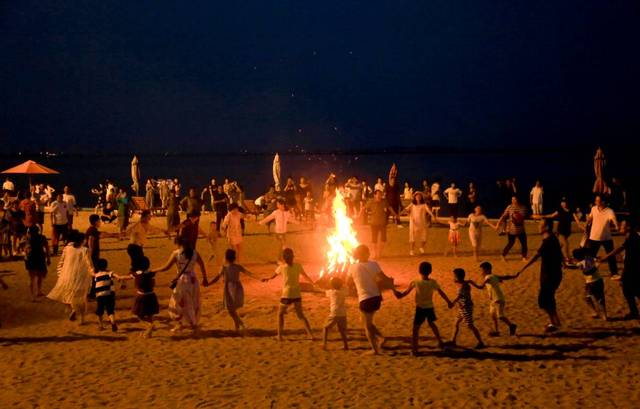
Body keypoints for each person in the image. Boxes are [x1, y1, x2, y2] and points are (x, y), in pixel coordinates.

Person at [393, 261, 452, 355]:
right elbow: (441, 293)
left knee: (416, 329)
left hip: (420, 308)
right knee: (432, 324)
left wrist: (394, 290)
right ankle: (440, 342)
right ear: (430, 271)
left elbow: (403, 294)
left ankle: (415, 350)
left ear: (419, 271)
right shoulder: (433, 282)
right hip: (429, 307)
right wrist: (448, 302)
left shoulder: (415, 282)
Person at [152, 237, 208, 333]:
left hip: (182, 280)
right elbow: (202, 265)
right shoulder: (194, 252)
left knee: (177, 303)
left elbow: (166, 267)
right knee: (192, 301)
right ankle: (192, 324)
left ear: (178, 243)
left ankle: (180, 324)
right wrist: (205, 278)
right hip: (193, 279)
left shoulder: (176, 254)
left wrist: (154, 270)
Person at [348, 245, 395, 355]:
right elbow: (384, 278)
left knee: (367, 326)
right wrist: (394, 290)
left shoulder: (352, 267)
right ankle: (381, 337)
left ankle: (375, 349)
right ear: (367, 253)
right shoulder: (374, 264)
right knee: (364, 320)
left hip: (365, 299)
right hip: (376, 297)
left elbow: (348, 281)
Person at [517, 223, 563, 332]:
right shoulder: (552, 239)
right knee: (549, 298)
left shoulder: (548, 242)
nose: (538, 227)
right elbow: (560, 249)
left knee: (543, 300)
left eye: (540, 225)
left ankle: (554, 322)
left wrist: (521, 269)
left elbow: (535, 256)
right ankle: (555, 321)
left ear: (546, 227)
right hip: (553, 273)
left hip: (550, 275)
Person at [262, 248, 315, 341]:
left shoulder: (282, 267)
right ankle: (311, 335)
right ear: (293, 257)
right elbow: (306, 276)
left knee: (280, 314)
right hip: (297, 294)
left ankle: (279, 336)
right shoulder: (298, 266)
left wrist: (267, 279)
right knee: (301, 315)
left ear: (284, 258)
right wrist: (313, 283)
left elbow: (273, 276)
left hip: (287, 294)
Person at [47, 231, 95, 324]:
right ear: (82, 240)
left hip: (67, 276)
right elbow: (89, 264)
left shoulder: (67, 249)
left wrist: (60, 274)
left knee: (68, 295)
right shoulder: (85, 250)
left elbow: (61, 263)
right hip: (81, 277)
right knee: (82, 298)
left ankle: (73, 309)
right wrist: (94, 273)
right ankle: (82, 319)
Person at [209, 249, 260, 334]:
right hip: (237, 288)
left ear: (226, 258)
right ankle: (238, 326)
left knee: (230, 309)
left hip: (229, 289)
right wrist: (259, 278)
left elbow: (217, 278)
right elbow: (249, 273)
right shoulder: (237, 266)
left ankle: (240, 325)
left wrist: (208, 283)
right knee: (232, 309)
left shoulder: (224, 267)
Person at [599, 221, 640, 320]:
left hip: (633, 268)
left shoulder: (633, 237)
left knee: (630, 289)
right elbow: (622, 249)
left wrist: (606, 257)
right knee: (628, 289)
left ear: (628, 227)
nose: (620, 227)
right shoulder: (631, 236)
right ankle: (634, 312)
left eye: (623, 225)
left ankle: (634, 312)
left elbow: (620, 249)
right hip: (631, 267)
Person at [476, 262, 517, 336]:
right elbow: (505, 277)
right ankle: (496, 331)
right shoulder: (493, 276)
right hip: (493, 300)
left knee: (500, 316)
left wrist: (472, 283)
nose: (481, 272)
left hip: (498, 299)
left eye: (482, 270)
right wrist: (513, 276)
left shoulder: (489, 277)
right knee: (493, 316)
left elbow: (482, 286)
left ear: (487, 270)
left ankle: (511, 325)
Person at [448, 268, 485, 349]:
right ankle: (453, 340)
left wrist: (452, 303)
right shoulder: (462, 283)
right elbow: (458, 282)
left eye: (454, 276)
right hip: (461, 307)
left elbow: (459, 296)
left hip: (466, 307)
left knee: (470, 325)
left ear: (458, 277)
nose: (453, 277)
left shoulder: (464, 286)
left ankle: (481, 342)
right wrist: (467, 280)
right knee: (456, 323)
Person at [585, 195, 619, 278]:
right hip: (594, 236)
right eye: (596, 200)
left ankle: (614, 273)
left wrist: (616, 225)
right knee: (590, 255)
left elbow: (613, 219)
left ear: (603, 202)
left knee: (611, 256)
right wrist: (588, 222)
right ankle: (587, 271)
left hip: (606, 237)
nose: (596, 202)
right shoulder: (593, 208)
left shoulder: (609, 211)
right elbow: (590, 217)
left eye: (598, 200)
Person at [93, 258, 128, 332]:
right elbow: (117, 276)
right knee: (110, 310)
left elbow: (92, 275)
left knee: (100, 312)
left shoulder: (96, 275)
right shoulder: (109, 273)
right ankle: (113, 322)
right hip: (109, 294)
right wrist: (120, 279)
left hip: (100, 296)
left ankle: (101, 325)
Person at [128, 256, 159, 338]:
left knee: (138, 314)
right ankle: (149, 333)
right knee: (150, 314)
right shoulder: (151, 273)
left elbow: (130, 274)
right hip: (151, 295)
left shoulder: (137, 274)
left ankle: (150, 326)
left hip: (141, 296)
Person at [572, 248, 607, 320]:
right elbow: (596, 260)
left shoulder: (580, 263)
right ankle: (604, 315)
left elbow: (584, 270)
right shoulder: (589, 258)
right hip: (599, 280)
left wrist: (572, 263)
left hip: (590, 283)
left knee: (586, 297)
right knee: (600, 298)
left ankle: (594, 312)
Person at [361, 189, 398, 259]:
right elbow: (364, 208)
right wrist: (359, 215)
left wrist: (395, 214)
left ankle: (380, 253)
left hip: (383, 223)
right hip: (373, 223)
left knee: (383, 239)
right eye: (377, 194)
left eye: (380, 194)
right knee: (374, 239)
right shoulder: (371, 201)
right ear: (374, 195)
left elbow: (390, 208)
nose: (379, 196)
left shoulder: (384, 202)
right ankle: (375, 254)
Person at [319, 276, 349, 351]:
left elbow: (323, 290)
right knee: (342, 330)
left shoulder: (331, 292)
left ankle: (324, 344)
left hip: (335, 313)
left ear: (332, 285)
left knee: (325, 328)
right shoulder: (344, 291)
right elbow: (346, 287)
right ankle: (346, 345)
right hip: (343, 313)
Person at [22, 225, 50, 302]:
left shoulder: (27, 238)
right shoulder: (42, 237)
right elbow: (47, 248)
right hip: (40, 257)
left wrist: (25, 253)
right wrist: (48, 258)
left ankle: (33, 295)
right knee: (40, 275)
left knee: (32, 278)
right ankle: (38, 291)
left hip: (30, 258)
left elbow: (21, 246)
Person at [497, 196, 528, 262]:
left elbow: (524, 217)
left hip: (521, 230)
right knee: (510, 243)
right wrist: (498, 224)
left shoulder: (523, 207)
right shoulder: (509, 207)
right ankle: (503, 256)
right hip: (512, 230)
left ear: (518, 200)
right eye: (512, 199)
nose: (513, 201)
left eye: (514, 199)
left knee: (524, 244)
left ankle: (524, 257)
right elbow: (503, 216)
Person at [404, 191, 434, 256]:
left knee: (424, 236)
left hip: (422, 223)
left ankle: (421, 247)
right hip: (413, 223)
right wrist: (406, 213)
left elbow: (429, 211)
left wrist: (433, 216)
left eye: (419, 196)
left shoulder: (424, 205)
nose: (418, 197)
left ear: (421, 197)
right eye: (416, 196)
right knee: (412, 237)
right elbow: (406, 210)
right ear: (414, 197)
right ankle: (411, 250)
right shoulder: (412, 204)